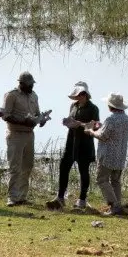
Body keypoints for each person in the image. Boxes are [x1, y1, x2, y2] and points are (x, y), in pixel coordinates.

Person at [48, 81, 99, 210]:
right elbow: (72, 121)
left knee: (83, 171)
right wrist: (67, 122)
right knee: (64, 166)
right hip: (71, 141)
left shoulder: (93, 108)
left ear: (86, 94)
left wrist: (79, 124)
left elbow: (95, 126)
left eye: (81, 94)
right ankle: (60, 197)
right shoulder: (73, 106)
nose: (79, 96)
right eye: (77, 94)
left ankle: (82, 199)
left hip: (85, 143)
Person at [1, 71, 47, 206]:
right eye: (29, 85)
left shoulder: (34, 95)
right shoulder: (11, 95)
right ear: (21, 83)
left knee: (27, 165)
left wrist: (41, 120)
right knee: (14, 167)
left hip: (29, 135)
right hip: (15, 134)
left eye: (32, 84)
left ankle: (22, 197)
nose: (31, 87)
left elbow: (37, 113)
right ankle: (12, 197)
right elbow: (6, 115)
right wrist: (22, 121)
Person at [86, 92, 128, 215]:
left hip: (108, 156)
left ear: (110, 106)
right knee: (115, 181)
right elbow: (112, 132)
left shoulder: (111, 118)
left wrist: (91, 131)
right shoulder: (126, 118)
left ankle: (114, 205)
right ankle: (118, 205)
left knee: (101, 179)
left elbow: (103, 136)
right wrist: (101, 126)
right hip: (120, 155)